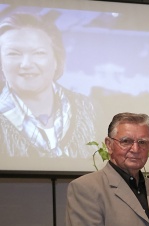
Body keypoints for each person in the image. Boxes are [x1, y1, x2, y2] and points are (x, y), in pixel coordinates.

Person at [0, 13, 95, 158]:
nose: (26, 64)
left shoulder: (90, 108)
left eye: (38, 53)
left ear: (56, 60)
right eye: (13, 54)